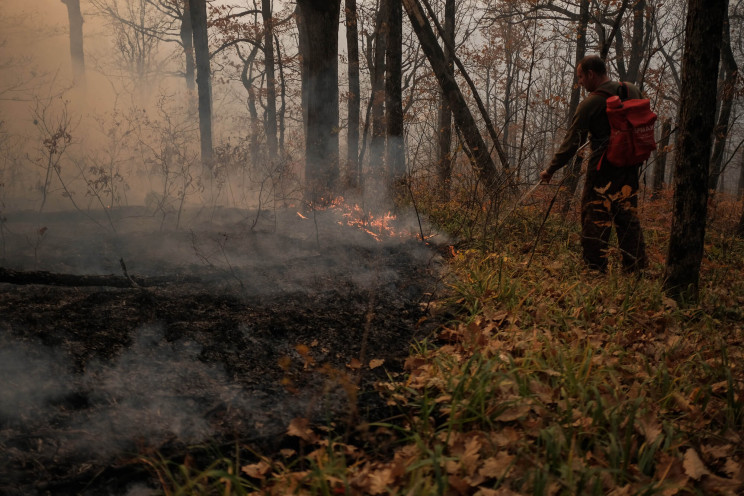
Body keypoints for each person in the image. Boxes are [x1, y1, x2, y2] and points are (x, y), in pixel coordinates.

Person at [540, 55, 646, 273]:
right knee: (628, 218)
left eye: (580, 77)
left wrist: (550, 169)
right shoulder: (631, 90)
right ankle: (636, 269)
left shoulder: (590, 103)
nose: (580, 82)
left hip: (602, 171)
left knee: (595, 218)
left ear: (591, 74)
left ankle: (594, 270)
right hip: (630, 168)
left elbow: (571, 144)